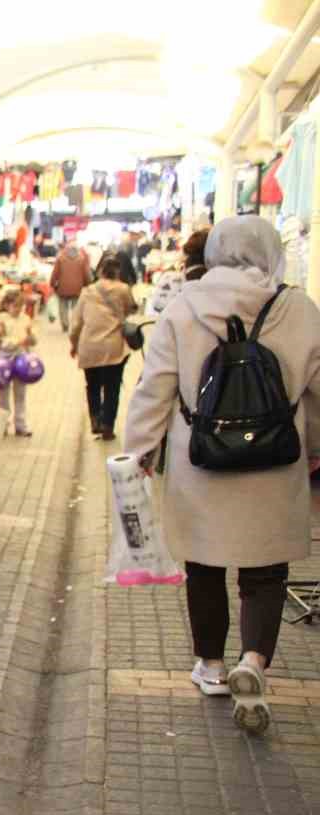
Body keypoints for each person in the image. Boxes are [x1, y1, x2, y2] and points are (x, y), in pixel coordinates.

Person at [123, 216, 320, 732]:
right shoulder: (298, 307)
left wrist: (139, 449)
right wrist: (315, 447)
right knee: (265, 572)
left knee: (205, 565)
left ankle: (210, 665)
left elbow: (155, 384)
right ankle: (252, 660)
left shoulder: (185, 304)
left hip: (201, 458)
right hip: (277, 457)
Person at [69, 258, 137, 440]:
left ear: (99, 272)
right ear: (117, 272)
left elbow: (76, 323)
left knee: (92, 386)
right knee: (112, 387)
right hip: (113, 347)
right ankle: (108, 426)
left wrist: (73, 344)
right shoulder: (123, 289)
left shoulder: (87, 292)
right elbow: (131, 308)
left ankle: (95, 421)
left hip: (89, 346)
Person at [0, 288, 36, 437]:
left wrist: (31, 339)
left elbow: (32, 339)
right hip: (5, 359)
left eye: (21, 306)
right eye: (15, 306)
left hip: (22, 359)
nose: (18, 309)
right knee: (3, 394)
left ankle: (21, 425)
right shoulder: (0, 319)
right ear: (6, 305)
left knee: (21, 394)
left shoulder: (25, 319)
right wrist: (18, 341)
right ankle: (2, 425)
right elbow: (0, 342)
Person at [49, 241, 91, 332]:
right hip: (77, 288)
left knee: (63, 306)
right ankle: (75, 325)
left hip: (62, 287)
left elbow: (55, 273)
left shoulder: (61, 258)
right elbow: (86, 274)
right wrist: (88, 284)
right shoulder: (81, 259)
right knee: (76, 307)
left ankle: (65, 325)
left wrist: (52, 283)